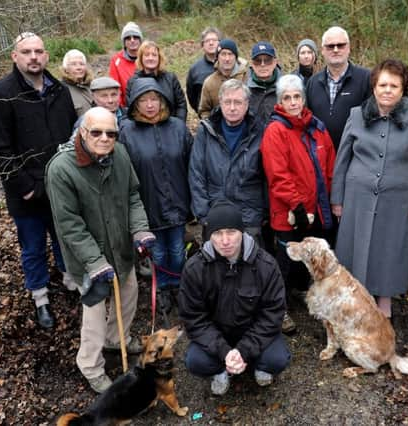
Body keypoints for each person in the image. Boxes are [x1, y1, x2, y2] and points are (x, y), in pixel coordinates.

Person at [45, 107, 155, 393]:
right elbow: (69, 225)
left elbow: (132, 194)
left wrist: (140, 229)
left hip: (120, 247)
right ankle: (91, 366)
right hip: (87, 259)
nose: (105, 138)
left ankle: (117, 338)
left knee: (129, 292)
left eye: (111, 133)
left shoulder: (118, 154)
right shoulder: (61, 169)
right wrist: (95, 262)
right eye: (97, 132)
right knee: (94, 312)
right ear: (82, 131)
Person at [0, 32, 77, 329]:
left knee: (64, 238)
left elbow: (71, 136)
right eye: (26, 52)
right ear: (15, 56)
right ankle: (40, 297)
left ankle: (70, 279)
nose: (33, 57)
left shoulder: (58, 90)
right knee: (33, 246)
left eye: (38, 51)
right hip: (27, 192)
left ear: (46, 56)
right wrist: (25, 188)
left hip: (60, 187)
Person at [330, 59, 408, 319]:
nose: (388, 90)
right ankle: (354, 300)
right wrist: (337, 199)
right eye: (383, 84)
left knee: (388, 251)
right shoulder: (356, 115)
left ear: (403, 89)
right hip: (358, 197)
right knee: (355, 249)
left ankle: (383, 301)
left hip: (398, 201)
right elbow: (342, 160)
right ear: (374, 87)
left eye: (394, 86)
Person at [178, 200, 290, 396]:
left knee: (277, 359)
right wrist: (224, 351)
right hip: (217, 334)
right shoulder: (195, 268)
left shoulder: (266, 265)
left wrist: (244, 350)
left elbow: (273, 314)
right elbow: (193, 318)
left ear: (243, 232)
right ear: (208, 235)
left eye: (231, 232)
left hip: (253, 332)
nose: (225, 240)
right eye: (217, 233)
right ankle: (220, 369)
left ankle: (258, 365)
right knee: (195, 361)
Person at [261, 74, 336, 333]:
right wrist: (298, 206)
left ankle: (305, 297)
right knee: (284, 261)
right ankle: (278, 309)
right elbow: (277, 174)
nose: (293, 102)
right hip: (288, 212)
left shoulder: (315, 127)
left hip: (314, 211)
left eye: (297, 97)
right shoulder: (276, 130)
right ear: (280, 101)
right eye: (287, 98)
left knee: (307, 260)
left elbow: (329, 167)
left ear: (303, 99)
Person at [119, 78, 192, 323]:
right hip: (148, 205)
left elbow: (191, 164)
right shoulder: (127, 131)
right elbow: (124, 172)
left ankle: (179, 286)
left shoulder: (178, 128)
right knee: (158, 253)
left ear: (162, 100)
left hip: (178, 202)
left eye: (154, 99)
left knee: (178, 251)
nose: (150, 105)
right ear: (135, 104)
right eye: (143, 100)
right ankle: (162, 288)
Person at [189, 79, 266, 243]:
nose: (232, 107)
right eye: (227, 102)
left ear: (246, 105)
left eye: (238, 102)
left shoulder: (259, 131)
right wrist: (203, 213)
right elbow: (196, 174)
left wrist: (263, 213)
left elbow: (266, 177)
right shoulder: (206, 131)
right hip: (215, 213)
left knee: (250, 264)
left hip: (249, 215)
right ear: (220, 103)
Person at [305, 26, 371, 150]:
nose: (335, 50)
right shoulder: (313, 83)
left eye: (340, 45)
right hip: (322, 157)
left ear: (349, 48)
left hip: (356, 155)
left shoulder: (366, 79)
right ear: (323, 50)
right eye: (330, 46)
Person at [125, 40, 187, 121]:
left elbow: (181, 104)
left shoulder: (170, 78)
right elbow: (130, 108)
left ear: (159, 58)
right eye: (147, 55)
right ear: (141, 58)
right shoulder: (133, 82)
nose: (150, 58)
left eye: (154, 55)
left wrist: (179, 125)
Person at [198, 38, 248, 119]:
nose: (227, 59)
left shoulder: (247, 77)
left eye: (230, 54)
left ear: (236, 57)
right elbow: (204, 111)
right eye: (223, 54)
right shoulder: (209, 82)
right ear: (218, 57)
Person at [186, 27, 221, 115]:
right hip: (207, 117)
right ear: (202, 45)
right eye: (207, 41)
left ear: (220, 43)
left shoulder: (229, 63)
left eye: (214, 40)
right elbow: (191, 96)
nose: (211, 43)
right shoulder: (195, 69)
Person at [109, 21, 143, 107]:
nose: (132, 40)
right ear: (124, 42)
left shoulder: (148, 56)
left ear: (140, 40)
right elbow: (114, 87)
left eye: (135, 37)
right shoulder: (116, 60)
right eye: (128, 38)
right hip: (127, 107)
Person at [247, 41, 281, 123]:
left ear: (275, 62)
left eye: (267, 60)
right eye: (258, 61)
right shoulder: (243, 91)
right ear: (252, 64)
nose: (262, 64)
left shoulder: (286, 88)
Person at [60, 49, 93, 117]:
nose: (79, 67)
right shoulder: (61, 90)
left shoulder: (93, 86)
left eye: (82, 64)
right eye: (73, 64)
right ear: (66, 69)